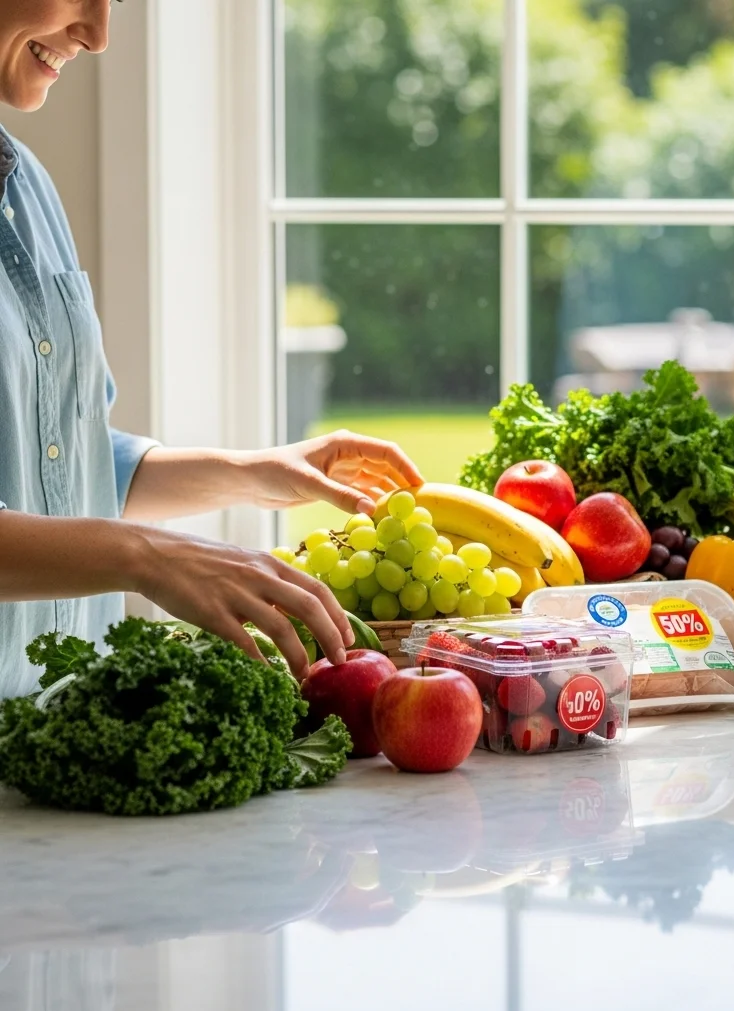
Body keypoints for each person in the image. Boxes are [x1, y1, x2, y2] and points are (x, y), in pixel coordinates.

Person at [0, 0, 424, 697]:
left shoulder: (28, 187)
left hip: (55, 750)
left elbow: (64, 462)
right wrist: (149, 557)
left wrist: (255, 471)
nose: (98, 34)